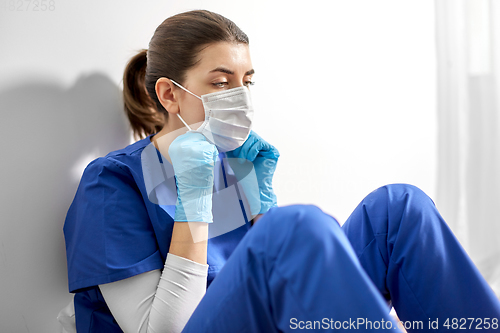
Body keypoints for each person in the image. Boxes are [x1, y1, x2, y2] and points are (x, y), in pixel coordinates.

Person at [62, 9, 500, 333]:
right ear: (169, 95)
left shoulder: (231, 165)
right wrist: (192, 203)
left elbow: (273, 282)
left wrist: (259, 205)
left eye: (246, 80)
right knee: (297, 226)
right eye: (220, 82)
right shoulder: (111, 184)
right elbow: (163, 331)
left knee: (399, 208)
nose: (240, 95)